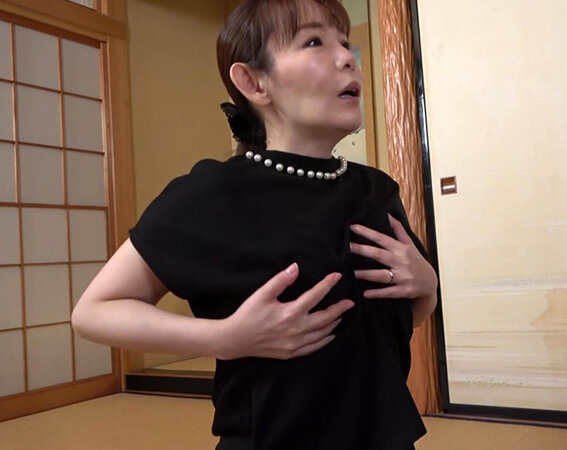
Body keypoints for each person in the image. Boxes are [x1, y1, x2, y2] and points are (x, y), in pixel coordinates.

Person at [70, 0, 438, 448]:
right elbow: (94, 312)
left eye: (344, 42)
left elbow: (394, 320)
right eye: (314, 41)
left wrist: (428, 287)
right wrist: (224, 337)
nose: (346, 57)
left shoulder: (377, 190)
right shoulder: (212, 193)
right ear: (253, 82)